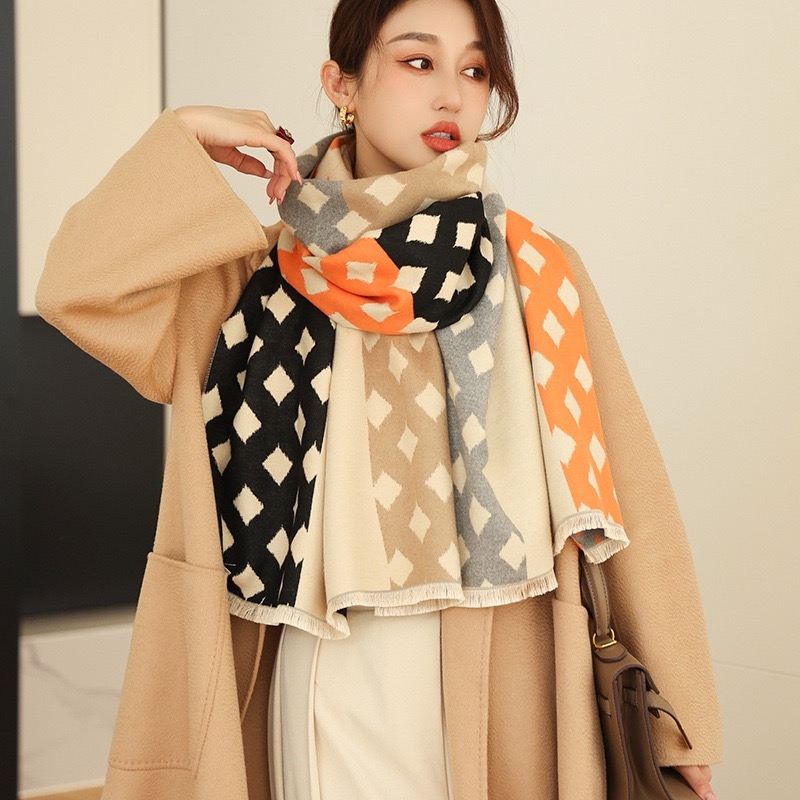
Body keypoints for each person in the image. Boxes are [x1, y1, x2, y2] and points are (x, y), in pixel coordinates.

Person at [36, 0, 722, 798]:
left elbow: (630, 492)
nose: (452, 94)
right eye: (418, 60)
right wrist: (183, 134)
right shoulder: (258, 281)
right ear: (343, 85)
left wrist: (680, 720)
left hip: (501, 669)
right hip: (319, 668)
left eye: (475, 69)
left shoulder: (536, 271)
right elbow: (80, 290)